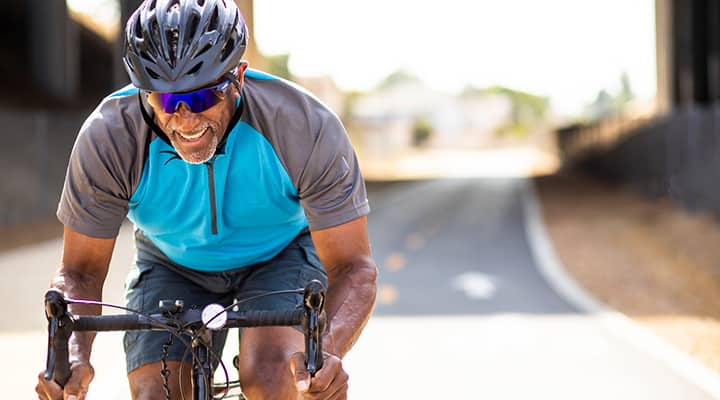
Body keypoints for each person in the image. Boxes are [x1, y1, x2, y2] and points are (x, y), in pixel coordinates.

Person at [35, 0, 377, 399]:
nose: (185, 119)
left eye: (201, 98)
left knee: (274, 376)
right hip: (171, 262)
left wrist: (326, 354)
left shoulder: (304, 125)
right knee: (157, 391)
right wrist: (71, 353)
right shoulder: (110, 137)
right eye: (165, 100)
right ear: (142, 94)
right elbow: (81, 273)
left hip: (280, 253)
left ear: (238, 78)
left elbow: (354, 268)